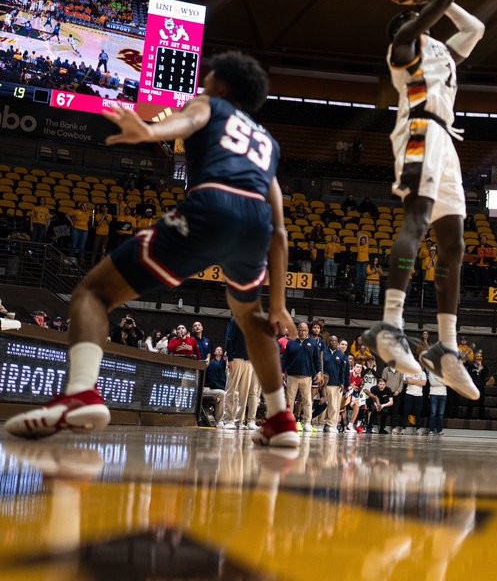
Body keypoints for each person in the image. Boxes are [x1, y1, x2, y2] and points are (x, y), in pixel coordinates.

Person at [4, 52, 298, 448]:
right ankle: (280, 420)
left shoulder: (210, 104)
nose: (205, 82)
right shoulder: (268, 143)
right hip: (256, 225)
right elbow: (280, 231)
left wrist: (150, 133)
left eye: (210, 77)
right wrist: (278, 302)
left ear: (223, 87)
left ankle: (80, 394)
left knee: (93, 292)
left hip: (212, 207)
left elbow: (188, 119)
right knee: (252, 314)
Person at [361, 0, 484, 402]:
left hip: (447, 140)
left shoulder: (442, 53)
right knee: (416, 221)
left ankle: (445, 348)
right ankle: (389, 326)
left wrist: (441, 0)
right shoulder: (403, 48)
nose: (423, 21)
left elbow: (476, 29)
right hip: (417, 130)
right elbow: (442, 0)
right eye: (416, 18)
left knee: (454, 244)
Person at [283, 322, 322, 433]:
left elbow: (317, 360)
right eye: (300, 330)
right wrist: (281, 372)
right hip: (292, 376)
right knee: (290, 401)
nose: (302, 332)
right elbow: (284, 359)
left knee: (307, 401)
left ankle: (307, 423)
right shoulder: (291, 343)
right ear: (297, 330)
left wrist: (319, 372)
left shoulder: (313, 343)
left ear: (308, 331)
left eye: (304, 330)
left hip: (307, 377)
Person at [204, 346, 228, 424]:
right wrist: (224, 389)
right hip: (207, 388)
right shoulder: (213, 364)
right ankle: (219, 420)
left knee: (234, 394)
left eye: (221, 350)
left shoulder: (225, 366)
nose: (219, 351)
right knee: (222, 394)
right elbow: (212, 383)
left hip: (216, 387)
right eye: (217, 349)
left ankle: (229, 419)